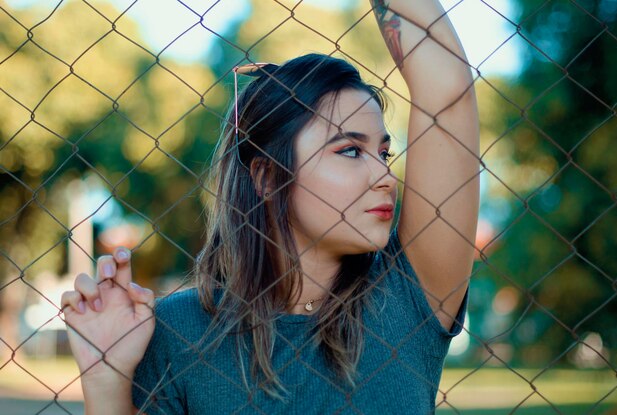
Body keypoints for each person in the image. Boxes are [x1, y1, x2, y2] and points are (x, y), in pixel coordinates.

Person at [61, 0, 479, 413]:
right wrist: (105, 377)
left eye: (384, 154)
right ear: (266, 175)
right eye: (350, 151)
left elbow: (448, 89)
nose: (385, 176)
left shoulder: (407, 297)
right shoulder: (179, 332)